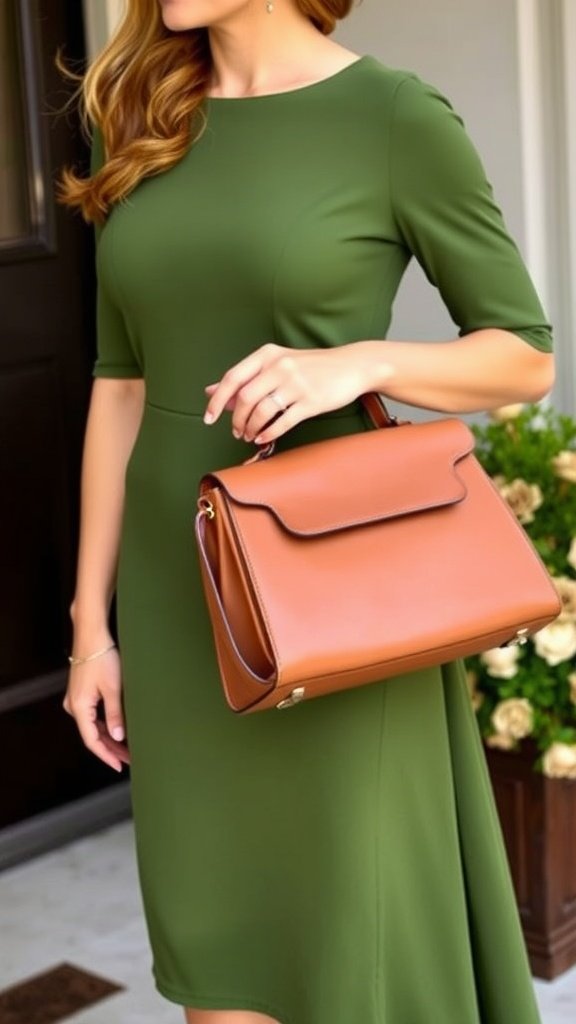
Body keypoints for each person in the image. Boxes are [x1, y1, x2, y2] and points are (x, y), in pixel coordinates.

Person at [60, 2, 554, 1022]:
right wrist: (87, 628)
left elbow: (524, 357)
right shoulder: (139, 112)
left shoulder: (392, 117)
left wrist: (359, 362)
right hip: (176, 589)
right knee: (219, 950)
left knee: (351, 953)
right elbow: (118, 385)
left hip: (336, 586)